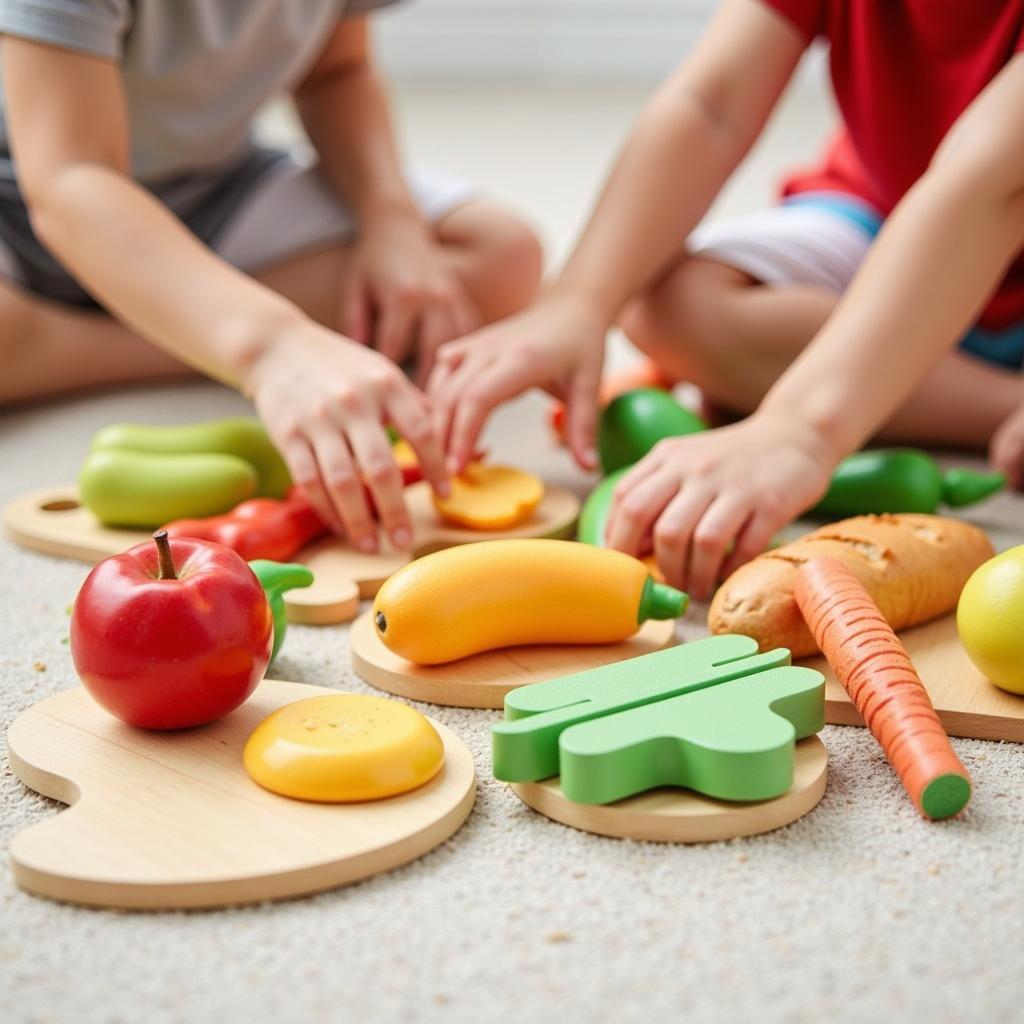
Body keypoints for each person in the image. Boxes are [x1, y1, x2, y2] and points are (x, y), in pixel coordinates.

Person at [430, 0, 1024, 598]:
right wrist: (577, 303)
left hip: (982, 196)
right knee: (671, 304)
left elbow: (992, 184)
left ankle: (900, 392)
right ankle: (1003, 404)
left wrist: (800, 429)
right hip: (888, 209)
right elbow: (710, 105)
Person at [0, 0, 542, 554]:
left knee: (499, 256)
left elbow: (337, 71)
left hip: (219, 185)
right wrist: (274, 344)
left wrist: (391, 219)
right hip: (23, 197)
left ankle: (101, 335)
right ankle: (182, 330)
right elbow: (71, 177)